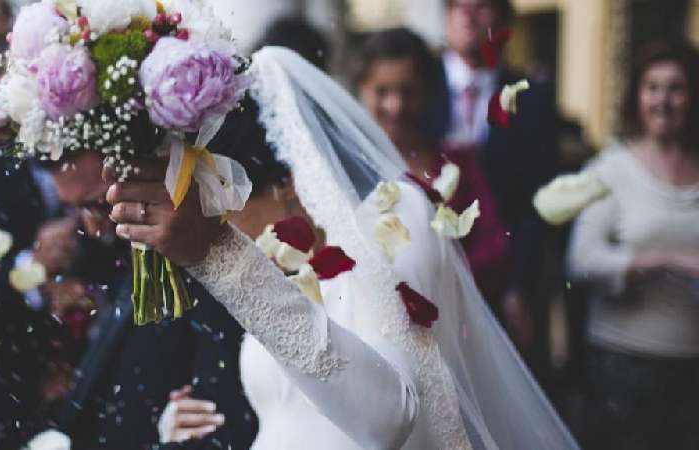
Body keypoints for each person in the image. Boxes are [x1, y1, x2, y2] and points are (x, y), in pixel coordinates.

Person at [110, 47, 578, 450]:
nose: (233, 234)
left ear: (288, 184)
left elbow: (388, 416)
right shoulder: (294, 271)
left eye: (229, 213)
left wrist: (222, 256)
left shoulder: (398, 221)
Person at [35, 150, 258, 450]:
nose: (92, 227)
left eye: (101, 204)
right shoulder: (118, 256)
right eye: (77, 211)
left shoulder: (209, 263)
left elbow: (222, 416)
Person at [568, 40, 699, 450]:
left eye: (675, 88)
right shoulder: (611, 170)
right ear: (636, 97)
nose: (663, 100)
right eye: (652, 87)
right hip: (622, 367)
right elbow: (582, 260)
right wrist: (670, 260)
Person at [429, 0, 560, 372]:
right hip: (431, 273)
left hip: (501, 281)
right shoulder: (416, 91)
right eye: (457, 5)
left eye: (482, 5)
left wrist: (519, 285)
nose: (468, 13)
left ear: (503, 21)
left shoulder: (532, 98)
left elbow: (539, 201)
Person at [354, 27, 510, 311]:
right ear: (362, 89)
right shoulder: (347, 165)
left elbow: (492, 245)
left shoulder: (458, 162)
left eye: (408, 92)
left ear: (427, 92)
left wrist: (439, 281)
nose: (395, 105)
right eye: (382, 91)